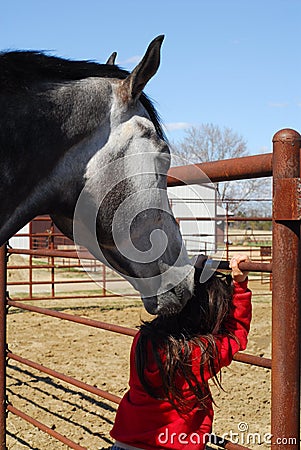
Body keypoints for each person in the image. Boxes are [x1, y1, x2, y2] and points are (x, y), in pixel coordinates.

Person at [110, 254, 252, 450]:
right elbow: (236, 332)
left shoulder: (142, 340)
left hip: (126, 443)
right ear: (206, 314)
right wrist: (240, 284)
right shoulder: (200, 353)